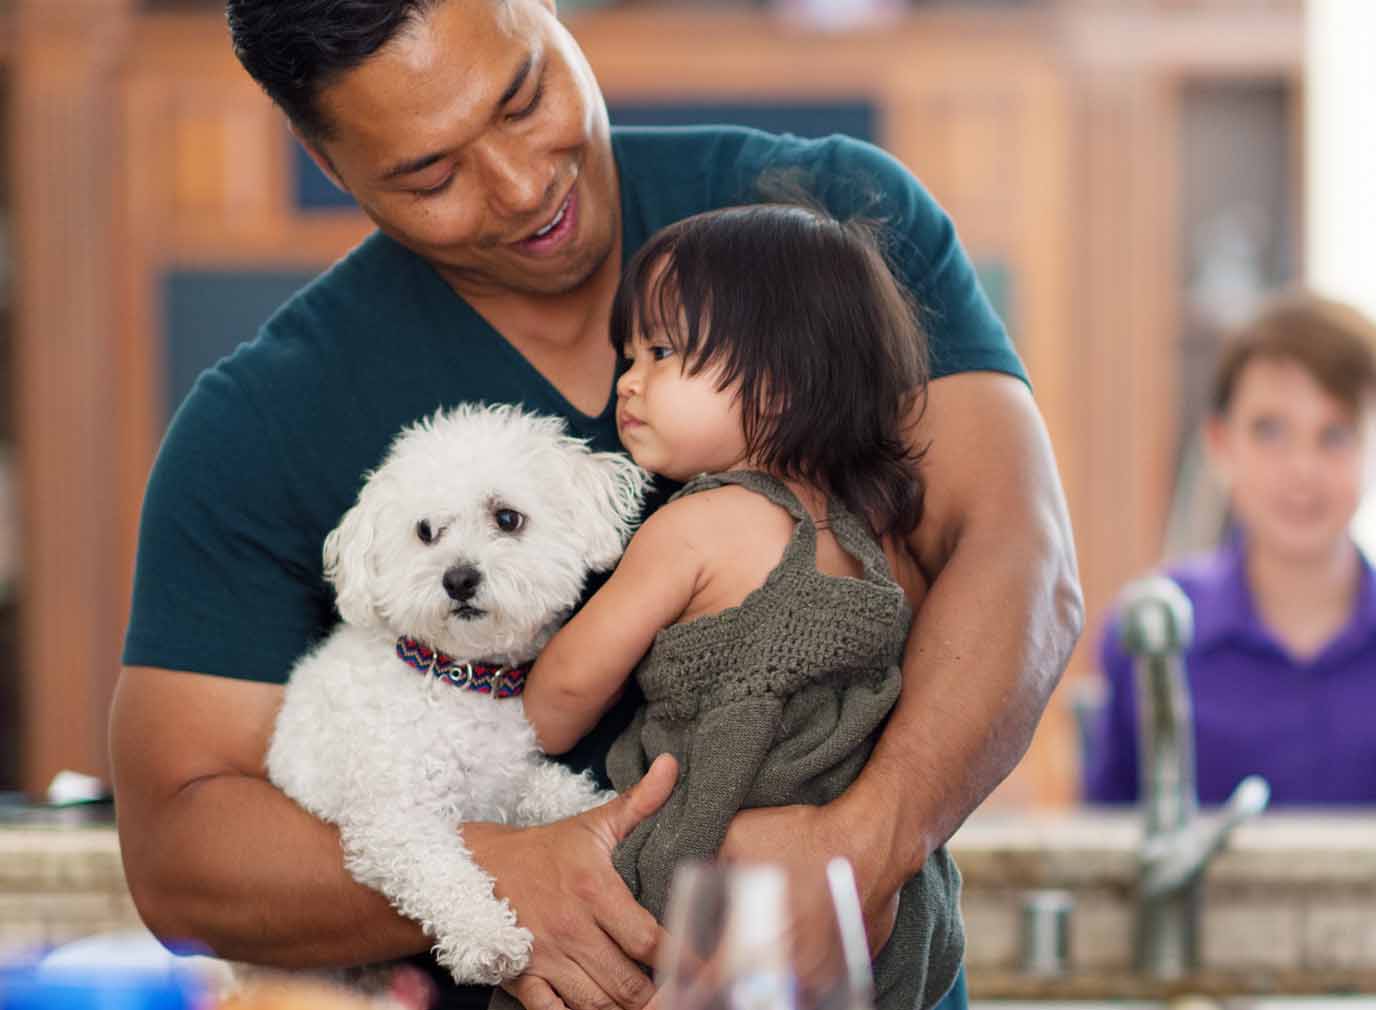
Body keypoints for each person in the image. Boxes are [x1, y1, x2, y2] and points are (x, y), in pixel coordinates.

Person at [108, 3, 1082, 1010]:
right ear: (330, 163)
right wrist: (497, 867)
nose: (524, 185)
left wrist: (861, 842)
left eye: (525, 96)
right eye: (431, 174)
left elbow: (1022, 560)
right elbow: (180, 851)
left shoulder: (829, 221)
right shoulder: (260, 420)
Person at [515, 204, 947, 1010]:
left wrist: (510, 715)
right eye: (630, 353)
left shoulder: (693, 526)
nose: (629, 379)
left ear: (779, 380)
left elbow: (563, 699)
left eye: (664, 351)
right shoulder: (870, 540)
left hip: (710, 891)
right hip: (865, 925)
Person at [1081, 293, 1376, 807]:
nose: (1301, 468)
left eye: (1335, 435)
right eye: (1270, 431)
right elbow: (1110, 851)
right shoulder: (1152, 633)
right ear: (1220, 443)